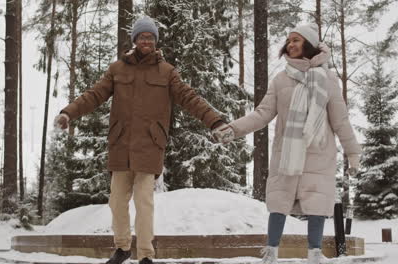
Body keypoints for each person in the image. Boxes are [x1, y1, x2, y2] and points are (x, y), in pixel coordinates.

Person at [54, 16, 225, 264]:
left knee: (144, 202)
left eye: (151, 37)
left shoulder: (167, 72)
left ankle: (145, 254)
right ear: (135, 40)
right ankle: (122, 247)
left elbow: (190, 98)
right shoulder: (117, 69)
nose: (146, 40)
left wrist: (215, 121)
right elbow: (94, 95)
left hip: (150, 145)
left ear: (155, 42)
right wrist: (68, 112)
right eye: (142, 36)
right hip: (120, 144)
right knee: (116, 201)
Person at [212, 24, 361, 264]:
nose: (290, 44)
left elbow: (340, 120)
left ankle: (314, 254)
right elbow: (261, 113)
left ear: (309, 45)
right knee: (279, 201)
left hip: (319, 152)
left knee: (316, 202)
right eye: (288, 40)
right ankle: (270, 253)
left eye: (296, 40)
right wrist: (233, 129)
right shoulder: (281, 79)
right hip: (287, 152)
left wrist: (352, 152)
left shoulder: (328, 79)